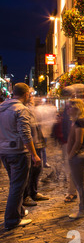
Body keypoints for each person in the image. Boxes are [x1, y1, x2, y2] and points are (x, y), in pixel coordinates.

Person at [0, 83, 41, 230]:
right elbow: (25, 133)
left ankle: (19, 211)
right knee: (17, 186)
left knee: (15, 183)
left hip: (4, 151)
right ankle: (12, 220)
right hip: (18, 152)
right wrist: (34, 155)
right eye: (29, 94)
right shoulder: (21, 109)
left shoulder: (2, 107)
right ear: (25, 94)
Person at [23, 89, 50, 206]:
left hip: (37, 142)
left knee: (37, 170)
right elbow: (26, 130)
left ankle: (33, 192)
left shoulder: (32, 107)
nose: (33, 96)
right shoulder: (24, 109)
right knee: (28, 171)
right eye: (31, 94)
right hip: (30, 145)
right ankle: (25, 196)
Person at [66, 99, 84, 219]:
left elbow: (78, 141)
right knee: (83, 184)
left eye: (70, 107)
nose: (68, 110)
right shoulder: (80, 121)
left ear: (77, 108)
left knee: (80, 185)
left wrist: (71, 155)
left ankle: (83, 210)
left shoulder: (79, 122)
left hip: (78, 156)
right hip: (78, 155)